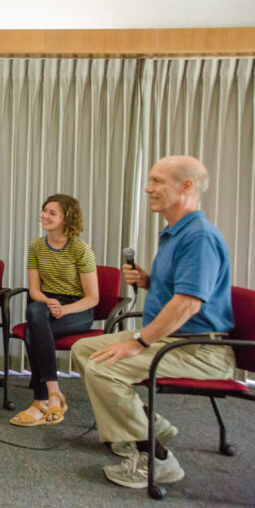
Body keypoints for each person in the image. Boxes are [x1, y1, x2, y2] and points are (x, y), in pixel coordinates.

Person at [72, 155, 235, 489]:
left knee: (105, 366)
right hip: (175, 339)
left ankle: (157, 458)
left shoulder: (199, 236)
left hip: (200, 349)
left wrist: (139, 342)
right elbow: (181, 291)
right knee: (83, 348)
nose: (148, 188)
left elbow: (188, 303)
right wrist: (146, 281)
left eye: (158, 181)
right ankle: (147, 424)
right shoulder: (175, 233)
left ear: (187, 187)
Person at [9, 194, 98, 427]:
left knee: (32, 332)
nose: (44, 216)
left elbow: (92, 298)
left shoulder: (80, 249)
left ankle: (41, 399)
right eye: (44, 210)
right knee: (35, 311)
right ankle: (53, 394)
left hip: (77, 309)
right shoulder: (36, 246)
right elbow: (35, 290)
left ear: (66, 218)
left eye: (52, 213)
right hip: (48, 303)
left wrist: (64, 309)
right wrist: (50, 303)